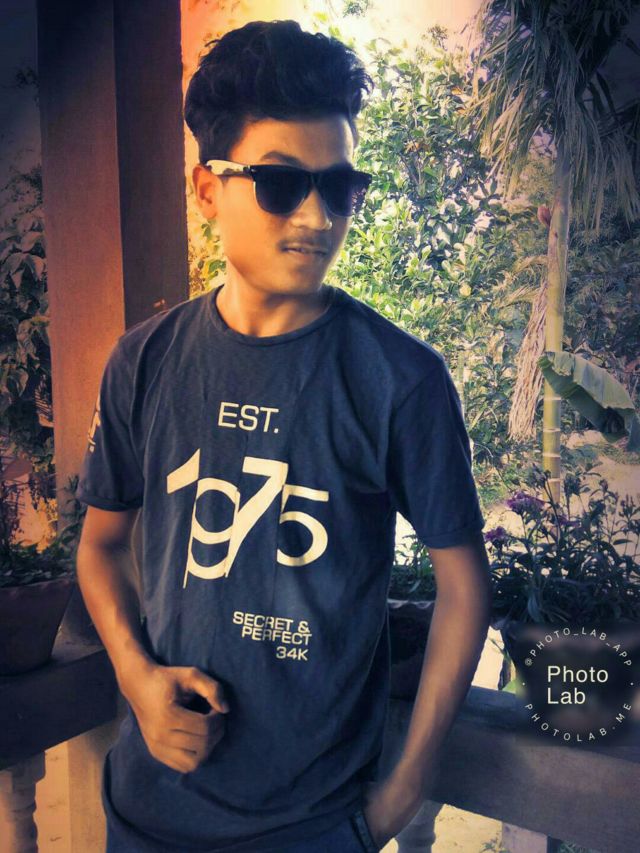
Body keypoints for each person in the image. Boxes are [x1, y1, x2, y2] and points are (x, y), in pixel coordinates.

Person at [75, 19, 492, 853]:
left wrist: (403, 790)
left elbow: (463, 585)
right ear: (207, 189)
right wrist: (137, 676)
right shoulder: (144, 360)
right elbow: (101, 545)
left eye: (339, 187)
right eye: (279, 182)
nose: (316, 215)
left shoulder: (400, 378)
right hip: (144, 813)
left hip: (314, 826)